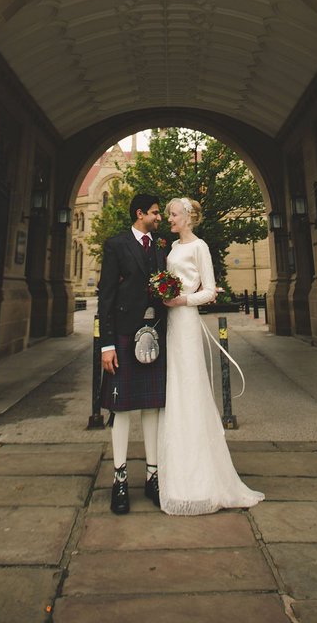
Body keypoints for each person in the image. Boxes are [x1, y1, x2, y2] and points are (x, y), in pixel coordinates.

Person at [158, 196, 264, 515]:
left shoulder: (199, 247)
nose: (170, 220)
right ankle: (176, 476)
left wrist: (183, 301)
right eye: (169, 216)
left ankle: (203, 481)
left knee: (191, 391)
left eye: (174, 215)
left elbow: (210, 290)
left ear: (188, 217)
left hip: (186, 322)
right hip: (170, 324)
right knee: (174, 393)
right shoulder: (173, 248)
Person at [98, 192, 166, 514]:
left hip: (154, 336)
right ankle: (120, 479)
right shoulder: (116, 245)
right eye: (154, 213)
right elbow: (106, 297)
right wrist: (107, 345)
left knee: (152, 407)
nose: (159, 217)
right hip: (124, 336)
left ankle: (152, 476)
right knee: (122, 410)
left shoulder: (160, 248)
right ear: (140, 214)